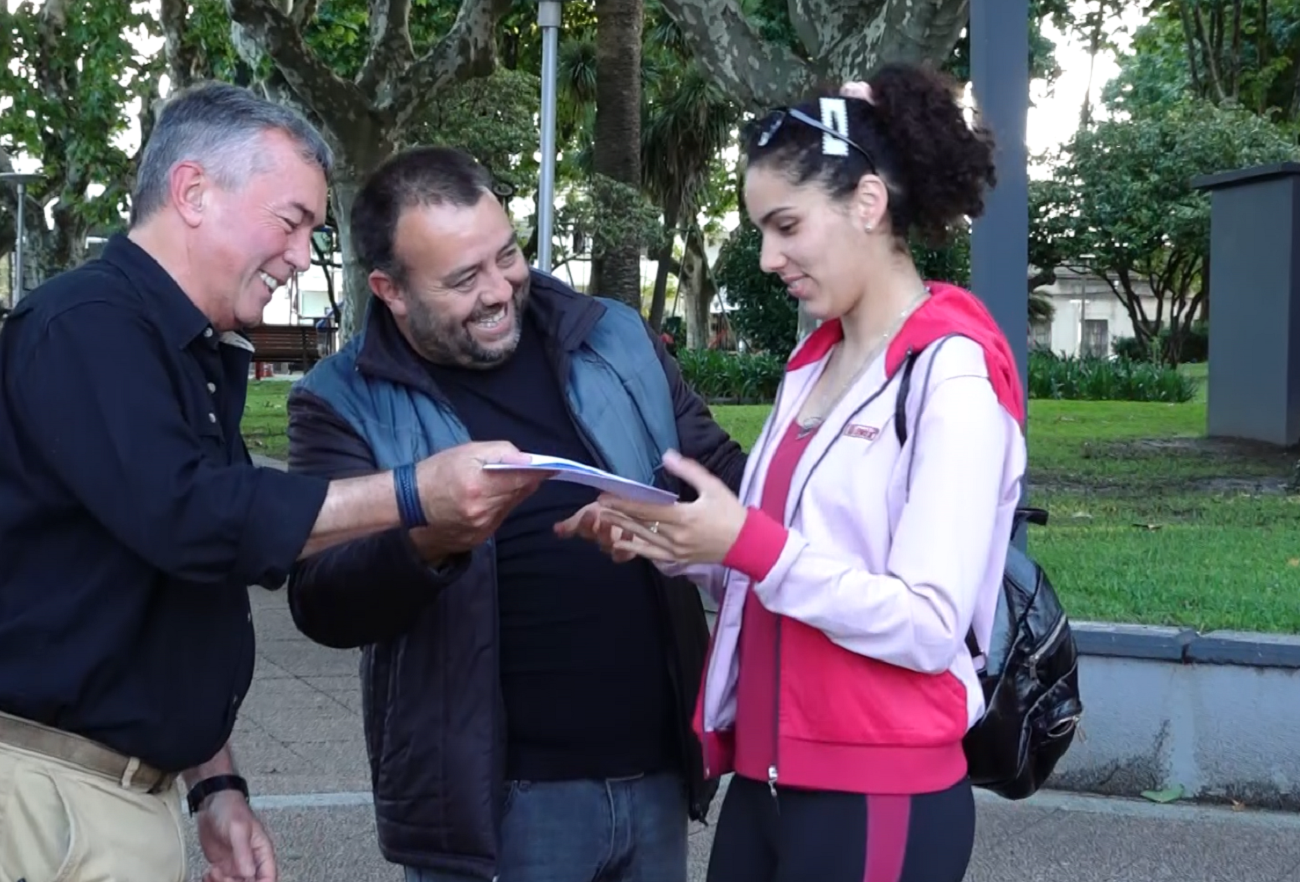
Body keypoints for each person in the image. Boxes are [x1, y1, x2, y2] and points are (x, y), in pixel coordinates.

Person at [0, 84, 548, 882]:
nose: (300, 255)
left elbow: (179, 578)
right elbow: (192, 516)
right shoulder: (85, 324)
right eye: (290, 222)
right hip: (47, 801)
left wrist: (213, 781)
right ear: (193, 192)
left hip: (124, 795)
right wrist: (410, 494)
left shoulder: (190, 350)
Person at [568, 63, 1027, 882]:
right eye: (760, 231)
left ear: (868, 203)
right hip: (769, 777)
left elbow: (927, 624)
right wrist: (675, 542)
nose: (768, 257)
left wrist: (746, 542)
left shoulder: (951, 373)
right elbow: (786, 568)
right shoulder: (813, 363)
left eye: (786, 225)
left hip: (878, 788)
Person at [282, 144, 748, 882]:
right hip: (497, 808)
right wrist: (431, 536)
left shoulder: (613, 337)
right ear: (390, 290)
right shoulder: (340, 399)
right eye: (464, 279)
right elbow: (322, 601)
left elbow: (719, 472)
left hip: (658, 776)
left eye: (507, 256)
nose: (500, 290)